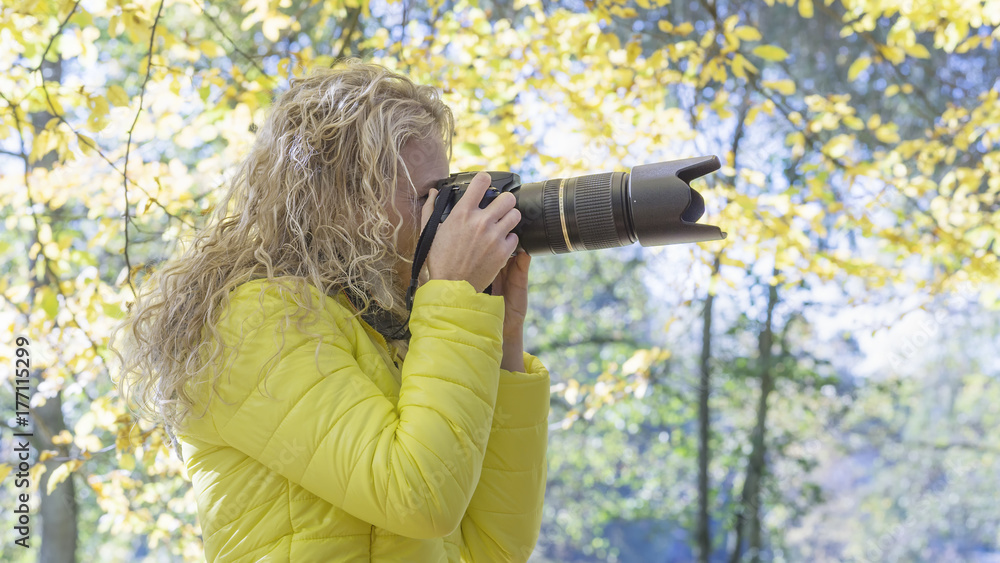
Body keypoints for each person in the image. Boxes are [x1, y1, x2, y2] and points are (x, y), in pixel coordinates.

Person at [109, 59, 550, 562]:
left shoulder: (394, 336)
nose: (442, 217)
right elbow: (420, 496)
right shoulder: (255, 320)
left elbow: (493, 550)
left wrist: (502, 340)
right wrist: (451, 295)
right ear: (341, 199)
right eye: (426, 197)